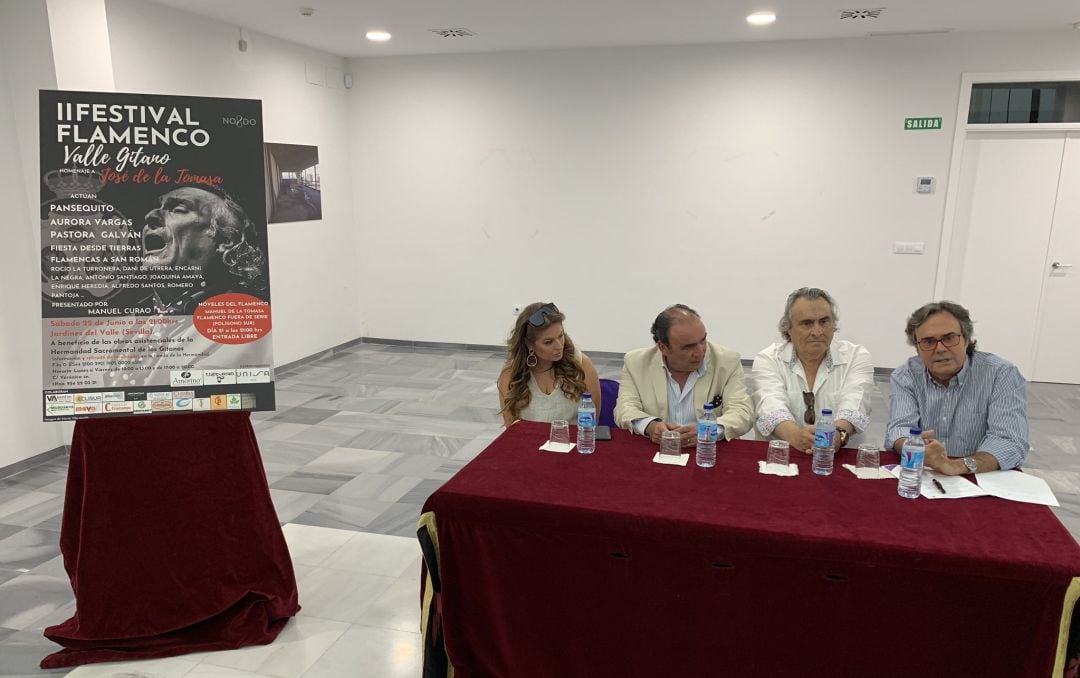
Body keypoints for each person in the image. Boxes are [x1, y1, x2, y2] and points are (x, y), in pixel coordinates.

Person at [886, 301, 1028, 474]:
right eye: (928, 341)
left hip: (982, 474)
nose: (940, 348)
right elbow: (899, 428)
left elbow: (1009, 441)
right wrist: (912, 446)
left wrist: (959, 466)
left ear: (966, 339)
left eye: (949, 338)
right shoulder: (905, 376)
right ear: (917, 348)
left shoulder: (1001, 374)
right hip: (925, 471)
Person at [751, 287, 874, 452]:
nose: (817, 332)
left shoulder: (856, 357)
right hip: (782, 457)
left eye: (824, 322)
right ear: (788, 329)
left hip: (837, 458)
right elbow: (770, 407)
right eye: (807, 323)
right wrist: (797, 437)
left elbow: (855, 405)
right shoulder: (768, 359)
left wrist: (836, 435)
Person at [614, 304, 753, 446]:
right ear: (663, 348)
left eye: (703, 340)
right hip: (657, 450)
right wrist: (650, 426)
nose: (700, 352)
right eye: (688, 347)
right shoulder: (636, 362)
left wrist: (709, 430)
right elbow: (625, 409)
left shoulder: (727, 361)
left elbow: (743, 412)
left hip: (707, 451)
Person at [138, 186, 268, 313]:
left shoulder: (244, 318)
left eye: (178, 209)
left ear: (226, 239)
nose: (150, 215)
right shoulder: (129, 319)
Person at [498, 302, 601, 426]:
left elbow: (592, 424)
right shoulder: (511, 373)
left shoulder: (582, 364)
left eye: (561, 336)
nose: (559, 346)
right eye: (548, 342)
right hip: (528, 443)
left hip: (574, 442)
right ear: (529, 344)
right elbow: (511, 429)